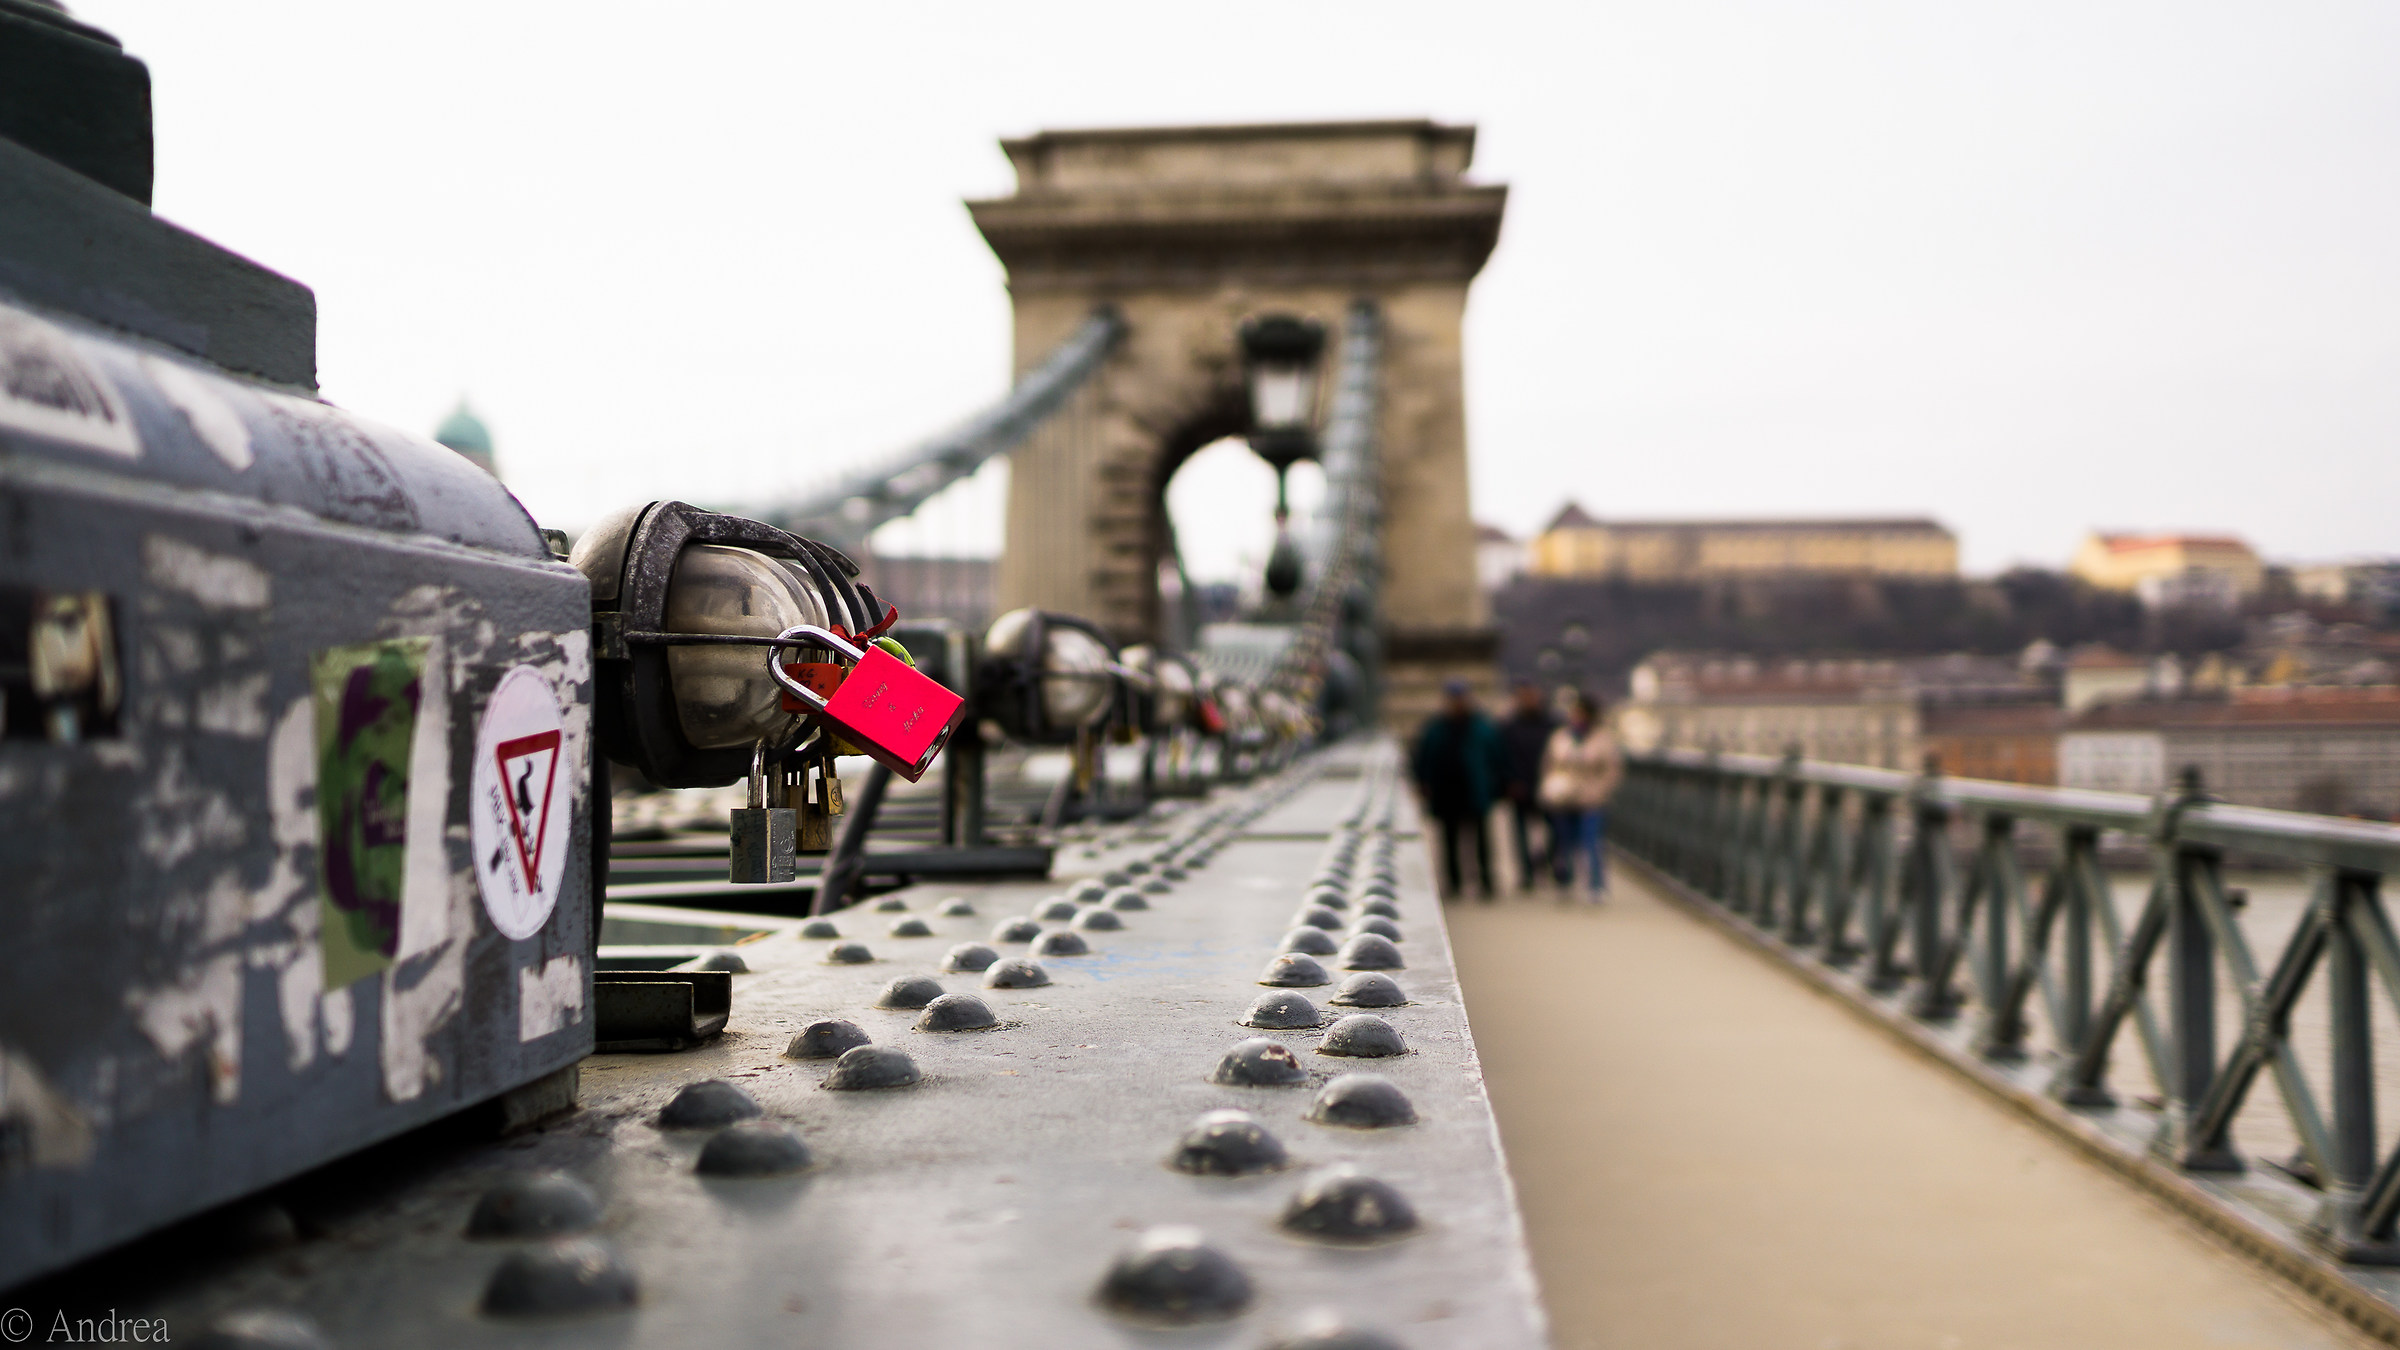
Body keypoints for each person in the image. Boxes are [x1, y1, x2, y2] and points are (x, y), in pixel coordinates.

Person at [1411, 678, 1504, 901]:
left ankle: (1485, 882)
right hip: (1446, 791)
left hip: (1474, 789)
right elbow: (1422, 758)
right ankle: (1453, 883)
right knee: (1448, 840)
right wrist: (1423, 783)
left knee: (1481, 840)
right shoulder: (1435, 727)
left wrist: (1497, 785)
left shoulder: (1481, 726)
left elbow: (1497, 757)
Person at [1539, 690, 1622, 901]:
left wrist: (1600, 791)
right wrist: (1550, 787)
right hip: (1563, 798)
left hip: (1591, 799)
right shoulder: (1561, 736)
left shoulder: (1602, 738)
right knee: (1563, 842)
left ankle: (1595, 886)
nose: (1575, 716)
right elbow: (1549, 765)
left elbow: (1612, 769)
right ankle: (1565, 882)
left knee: (1591, 842)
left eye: (1579, 713)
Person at [1498, 679, 1558, 890]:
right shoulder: (1509, 726)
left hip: (1548, 786)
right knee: (1520, 834)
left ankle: (1543, 862)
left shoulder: (1552, 724)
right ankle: (1526, 874)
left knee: (1556, 831)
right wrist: (1509, 780)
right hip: (1520, 785)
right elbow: (1502, 756)